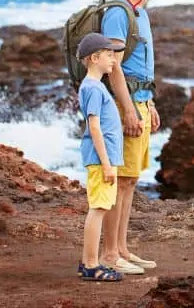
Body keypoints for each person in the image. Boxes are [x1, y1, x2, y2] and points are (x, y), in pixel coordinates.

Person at [100, 0, 160, 274]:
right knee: (120, 180)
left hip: (141, 102)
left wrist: (148, 104)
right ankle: (109, 254)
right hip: (124, 105)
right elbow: (114, 67)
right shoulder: (117, 14)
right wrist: (127, 110)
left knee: (131, 180)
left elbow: (141, 65)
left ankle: (122, 248)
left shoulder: (142, 14)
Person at [76, 33, 126, 282]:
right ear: (95, 58)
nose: (114, 60)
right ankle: (91, 264)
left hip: (105, 158)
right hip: (100, 159)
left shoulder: (95, 87)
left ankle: (88, 262)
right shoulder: (93, 88)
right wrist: (106, 164)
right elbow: (94, 126)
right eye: (109, 55)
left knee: (100, 207)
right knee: (98, 209)